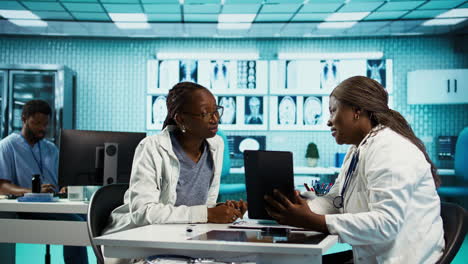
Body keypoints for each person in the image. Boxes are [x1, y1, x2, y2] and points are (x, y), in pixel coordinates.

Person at [265, 76, 444, 264]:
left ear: (357, 111)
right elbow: (336, 201)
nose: (328, 121)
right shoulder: (357, 150)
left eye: (333, 111)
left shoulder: (390, 149)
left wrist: (313, 221)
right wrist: (296, 207)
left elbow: (386, 224)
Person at [103, 82, 247, 236]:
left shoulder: (216, 144)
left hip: (184, 235)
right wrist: (207, 214)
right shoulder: (152, 147)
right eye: (205, 113)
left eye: (216, 110)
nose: (215, 118)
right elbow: (143, 213)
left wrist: (220, 209)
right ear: (180, 119)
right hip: (139, 236)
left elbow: (204, 205)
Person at [0, 99, 88, 264]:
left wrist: (65, 188)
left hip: (55, 204)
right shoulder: (7, 146)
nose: (42, 128)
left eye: (45, 124)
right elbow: (2, 186)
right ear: (24, 119)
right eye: (37, 123)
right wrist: (32, 191)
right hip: (27, 208)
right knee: (75, 224)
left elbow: (61, 179)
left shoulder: (50, 148)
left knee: (93, 217)